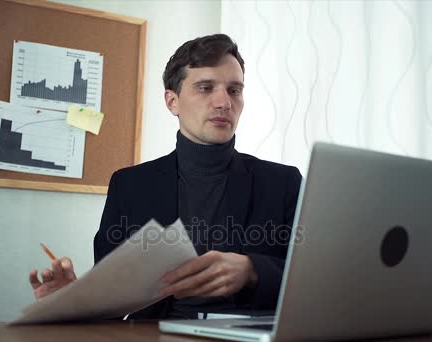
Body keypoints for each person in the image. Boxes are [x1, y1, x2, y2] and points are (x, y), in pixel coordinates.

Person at [29, 33, 302, 319]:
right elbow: (110, 303)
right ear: (172, 102)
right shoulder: (129, 185)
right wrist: (71, 301)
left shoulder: (282, 183)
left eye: (234, 90)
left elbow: (318, 283)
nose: (224, 102)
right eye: (206, 87)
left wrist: (252, 271)